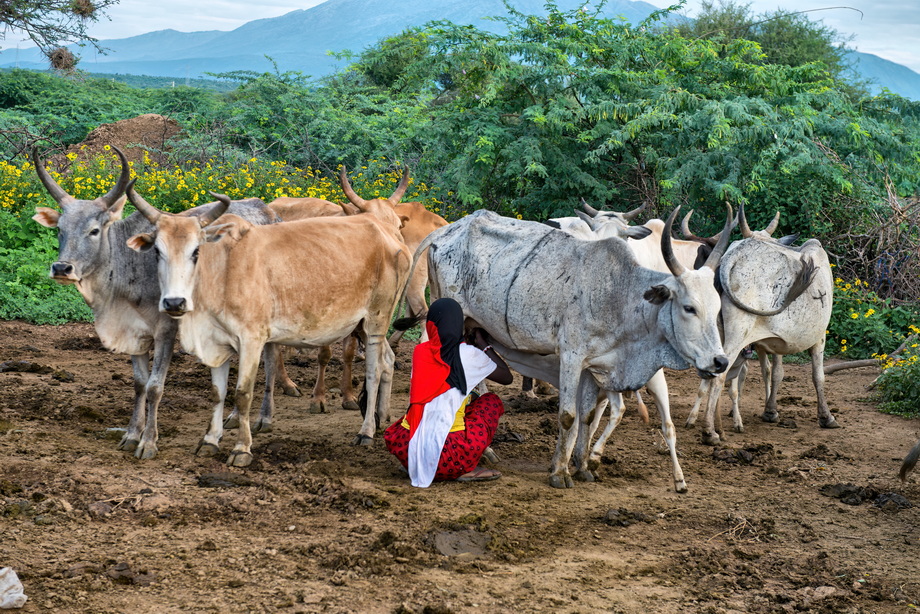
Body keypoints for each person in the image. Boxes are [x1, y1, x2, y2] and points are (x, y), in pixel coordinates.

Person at [384, 297, 513, 488]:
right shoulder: (469, 354)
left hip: (408, 449)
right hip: (451, 456)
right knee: (490, 402)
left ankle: (422, 463)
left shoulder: (419, 352)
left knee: (459, 399)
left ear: (431, 326)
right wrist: (482, 345)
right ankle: (464, 469)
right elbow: (506, 377)